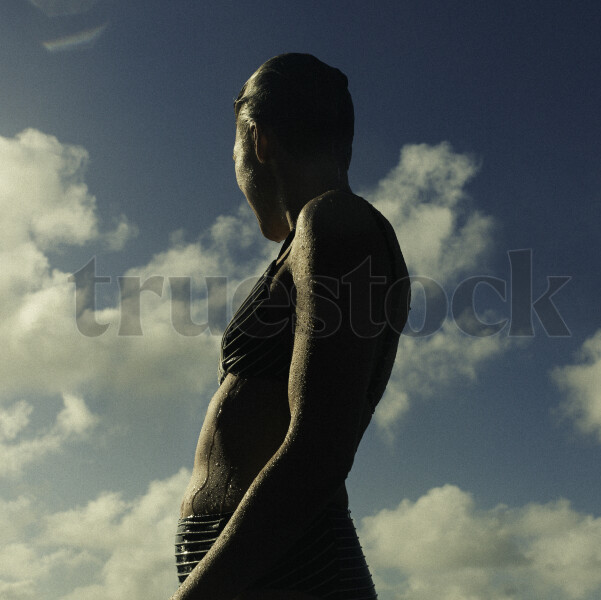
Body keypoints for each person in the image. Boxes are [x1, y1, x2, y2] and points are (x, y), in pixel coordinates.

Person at [172, 53, 410, 600]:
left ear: (259, 140)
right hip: (267, 571)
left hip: (295, 572)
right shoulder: (313, 235)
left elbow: (318, 449)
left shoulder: (336, 221)